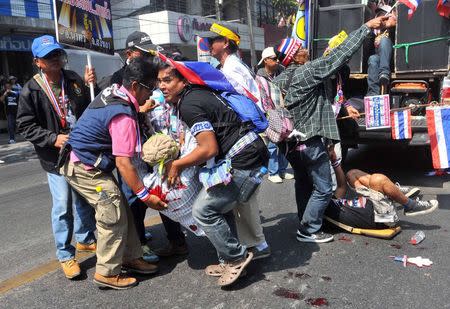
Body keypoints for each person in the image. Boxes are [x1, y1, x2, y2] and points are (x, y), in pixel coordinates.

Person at [273, 16, 389, 243]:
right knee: (324, 188)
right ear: (296, 57)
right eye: (301, 49)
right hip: (310, 142)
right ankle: (308, 229)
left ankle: (304, 222)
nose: (306, 50)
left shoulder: (280, 80)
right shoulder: (305, 73)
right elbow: (339, 55)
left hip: (291, 145)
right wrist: (366, 27)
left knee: (303, 183)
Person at [158, 62, 269, 287]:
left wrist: (177, 165)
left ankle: (237, 258)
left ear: (183, 80)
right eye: (159, 81)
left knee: (204, 210)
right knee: (221, 207)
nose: (162, 86)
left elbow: (209, 148)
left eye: (167, 80)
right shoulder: (197, 94)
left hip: (244, 159)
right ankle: (228, 258)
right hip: (247, 153)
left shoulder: (189, 103)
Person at [60, 58, 167, 290]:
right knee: (112, 211)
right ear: (136, 85)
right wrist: (146, 195)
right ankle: (107, 272)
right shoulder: (123, 115)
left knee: (122, 208)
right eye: (150, 89)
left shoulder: (115, 91)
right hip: (82, 165)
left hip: (87, 160)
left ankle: (129, 257)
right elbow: (124, 164)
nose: (151, 96)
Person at [16, 35, 97, 279]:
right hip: (55, 158)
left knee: (83, 199)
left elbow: (86, 107)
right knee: (63, 206)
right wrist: (53, 138)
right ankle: (65, 254)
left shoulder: (72, 79)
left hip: (79, 151)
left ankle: (84, 238)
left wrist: (89, 85)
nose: (55, 60)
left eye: (57, 55)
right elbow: (24, 125)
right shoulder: (31, 89)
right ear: (37, 62)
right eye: (48, 57)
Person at [103, 32, 187, 262]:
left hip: (159, 144)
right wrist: (140, 110)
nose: (149, 55)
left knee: (166, 189)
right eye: (143, 52)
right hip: (133, 148)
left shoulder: (154, 71)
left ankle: (177, 240)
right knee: (135, 197)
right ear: (129, 54)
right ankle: (138, 244)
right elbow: (119, 113)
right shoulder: (117, 79)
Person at [201, 23, 270, 259]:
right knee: (241, 193)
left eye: (214, 41)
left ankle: (258, 245)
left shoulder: (232, 70)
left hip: (245, 137)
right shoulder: (227, 66)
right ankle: (252, 241)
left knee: (245, 193)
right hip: (242, 136)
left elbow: (239, 106)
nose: (209, 45)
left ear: (226, 43)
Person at [326, 144, 438, 229]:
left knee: (352, 174)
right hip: (381, 217)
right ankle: (410, 205)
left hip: (371, 201)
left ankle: (393, 191)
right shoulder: (325, 209)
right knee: (377, 179)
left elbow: (341, 186)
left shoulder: (331, 200)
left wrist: (334, 160)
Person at [256, 47, 293, 183]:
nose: (277, 61)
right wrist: (269, 113)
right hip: (270, 112)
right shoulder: (260, 76)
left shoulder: (281, 71)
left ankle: (282, 170)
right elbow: (262, 97)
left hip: (284, 110)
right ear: (266, 60)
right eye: (274, 59)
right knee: (273, 143)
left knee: (286, 141)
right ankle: (273, 172)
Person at [366, 3, 397, 96]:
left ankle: (384, 73)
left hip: (390, 60)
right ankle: (373, 93)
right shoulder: (375, 32)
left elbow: (395, 22)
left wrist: (390, 23)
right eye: (379, 15)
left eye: (383, 15)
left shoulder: (393, 28)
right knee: (372, 59)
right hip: (379, 60)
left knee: (384, 40)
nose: (381, 17)